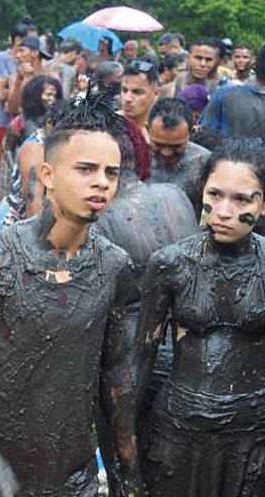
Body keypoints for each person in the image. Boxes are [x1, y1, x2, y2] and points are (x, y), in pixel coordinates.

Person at [0, 95, 141, 497]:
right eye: (86, 169)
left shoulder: (115, 266)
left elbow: (116, 377)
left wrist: (127, 472)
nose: (101, 182)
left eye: (111, 173)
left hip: (73, 476)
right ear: (47, 174)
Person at [138, 137, 265, 496]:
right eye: (215, 195)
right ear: (202, 193)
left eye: (241, 199)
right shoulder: (170, 264)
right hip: (178, 430)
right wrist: (125, 452)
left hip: (252, 433)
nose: (223, 211)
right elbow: (140, 359)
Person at [92, 114, 199, 495]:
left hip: (130, 360)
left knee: (127, 468)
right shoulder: (174, 195)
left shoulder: (98, 214)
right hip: (190, 356)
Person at [148, 97, 211, 216]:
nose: (166, 152)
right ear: (148, 129)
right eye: (158, 145)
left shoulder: (204, 163)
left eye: (176, 146)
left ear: (191, 133)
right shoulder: (134, 159)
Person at [200, 45, 265, 144]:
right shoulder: (224, 90)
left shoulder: (224, 94)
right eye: (238, 56)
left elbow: (205, 135)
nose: (241, 60)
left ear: (254, 64)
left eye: (245, 57)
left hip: (226, 157)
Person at [0, 18, 36, 139]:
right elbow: (0, 94)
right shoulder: (1, 58)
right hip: (5, 122)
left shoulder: (35, 61)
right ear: (17, 40)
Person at [3, 35, 52, 118]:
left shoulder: (51, 77)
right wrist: (19, 81)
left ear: (34, 53)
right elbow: (12, 109)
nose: (18, 55)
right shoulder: (15, 78)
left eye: (22, 51)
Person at [120, 60, 159, 144]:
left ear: (155, 94)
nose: (127, 99)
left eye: (137, 92)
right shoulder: (107, 128)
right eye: (124, 90)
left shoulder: (155, 135)